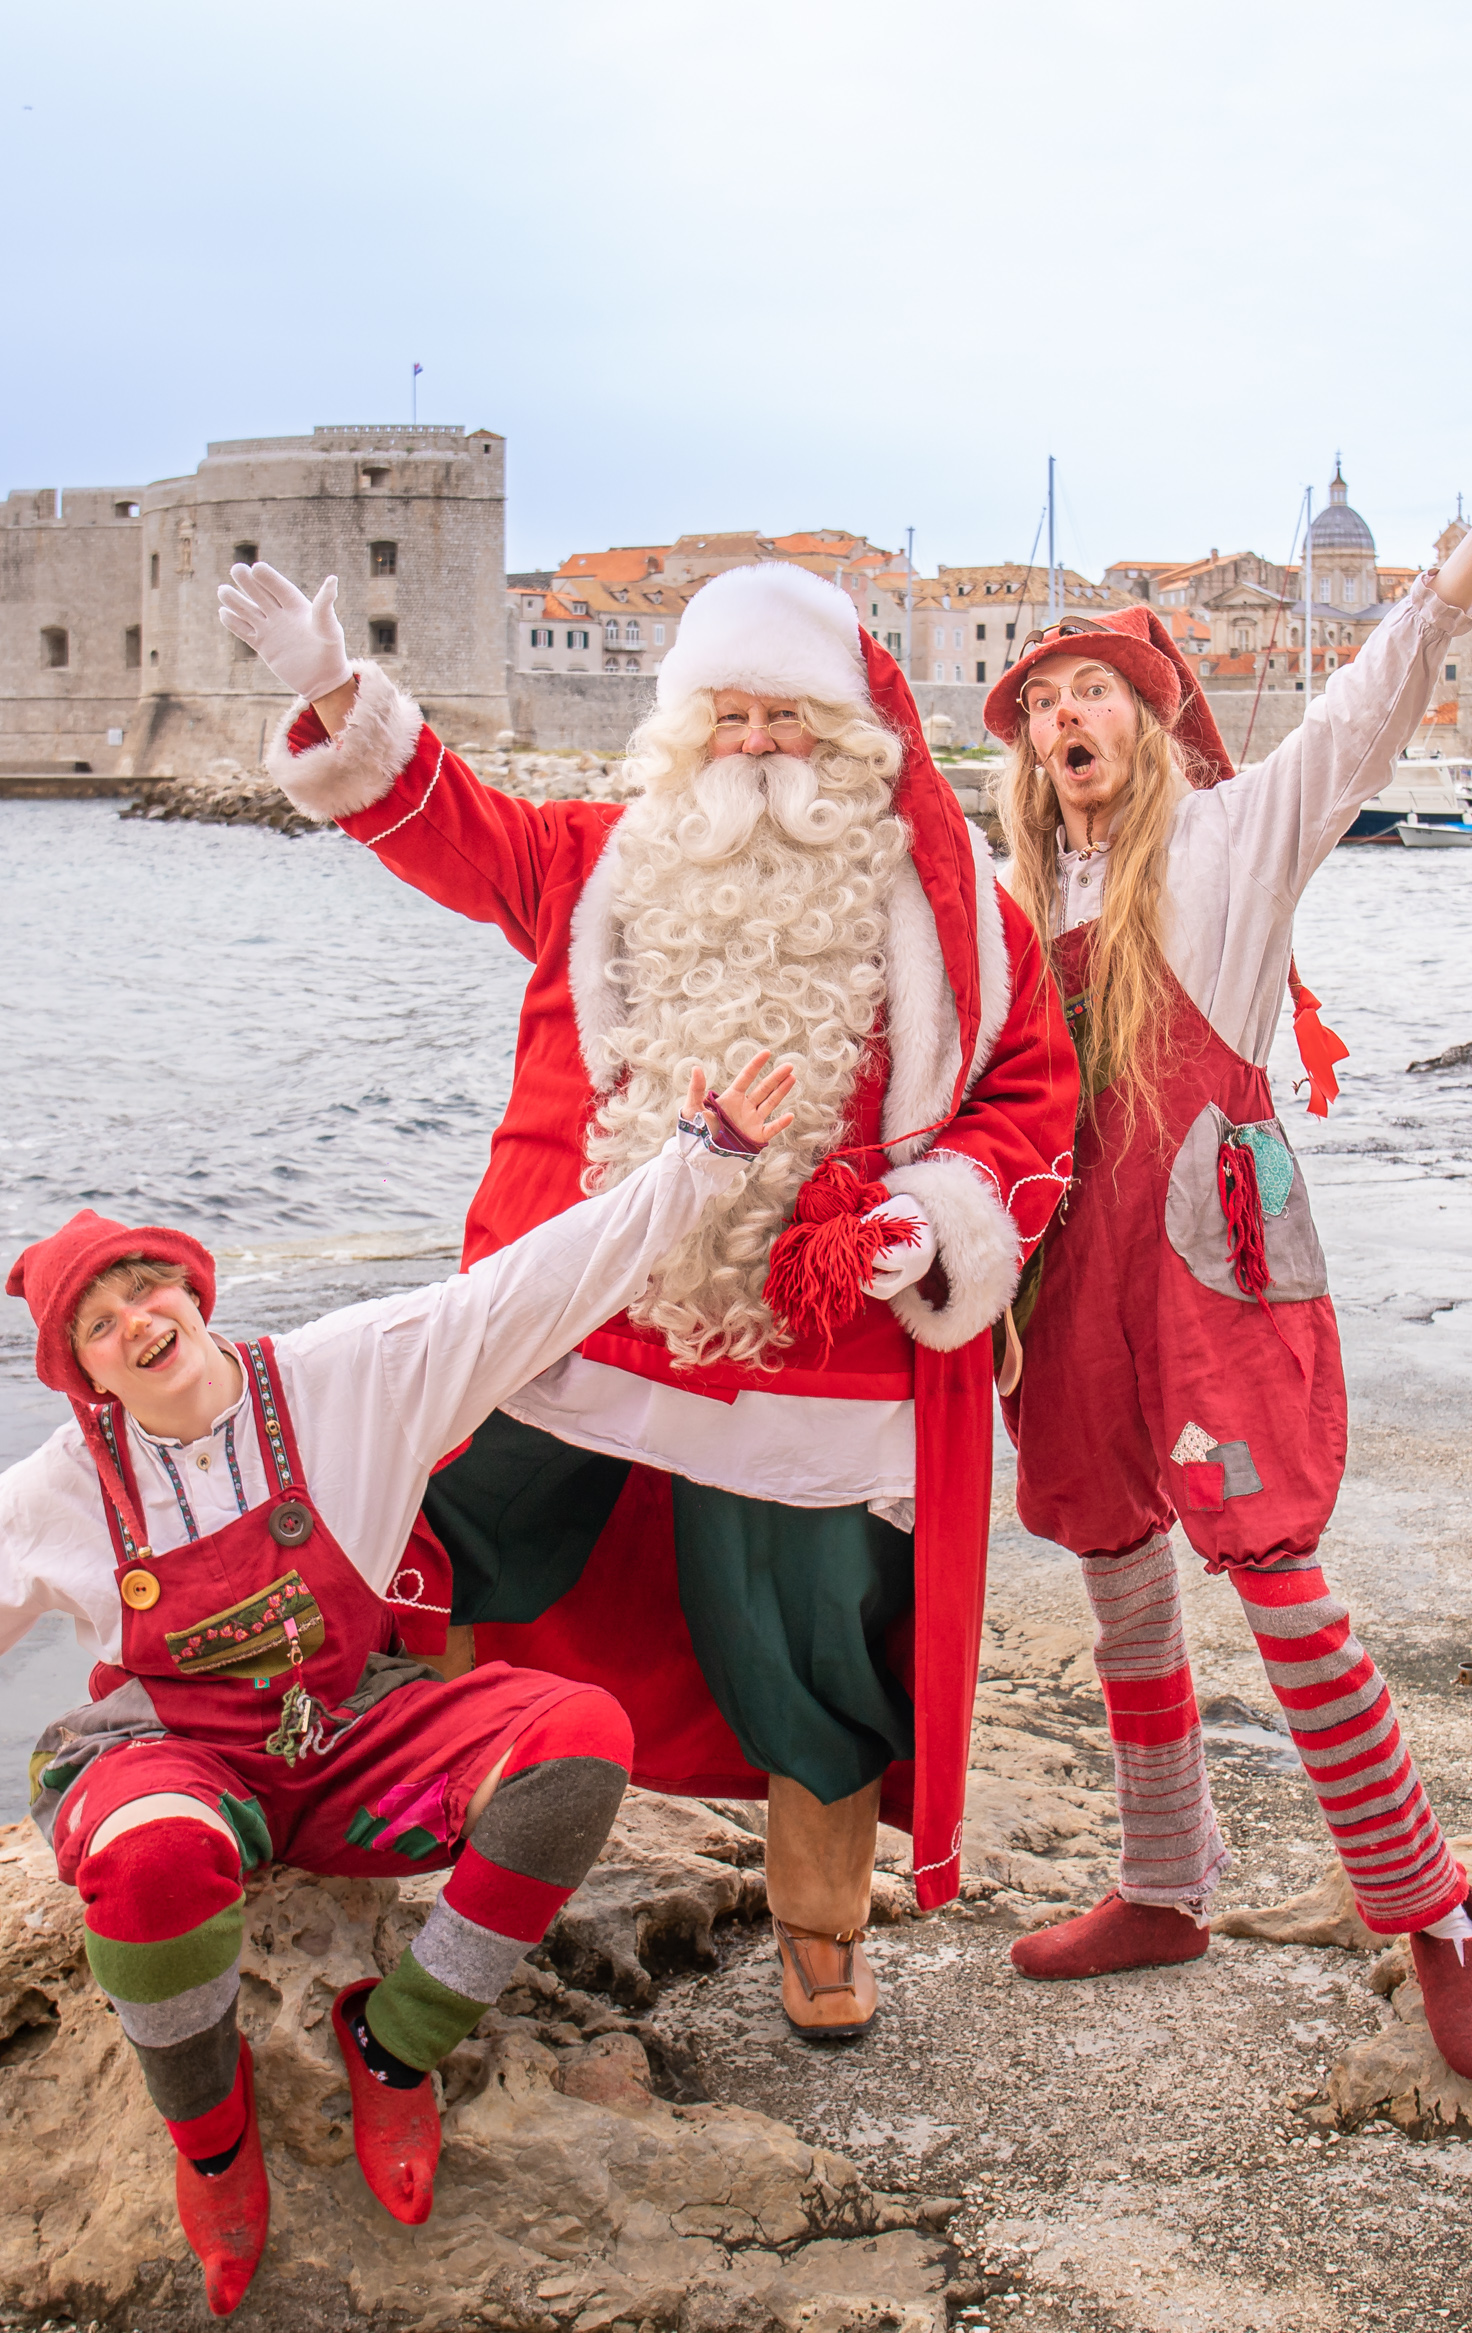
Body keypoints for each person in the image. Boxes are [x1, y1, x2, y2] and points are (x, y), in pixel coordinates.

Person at [0, 1052, 800, 2317]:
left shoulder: (350, 1371)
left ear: (192, 1287)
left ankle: (391, 2039)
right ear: (87, 1374)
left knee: (576, 1738)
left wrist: (701, 1159)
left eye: (147, 1284)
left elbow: (529, 1288)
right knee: (149, 1862)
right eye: (99, 1321)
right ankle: (213, 2142)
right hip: (172, 1754)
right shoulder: (52, 1493)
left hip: (349, 1738)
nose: (136, 1316)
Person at [215, 557, 1078, 2041]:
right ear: (682, 728)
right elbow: (446, 826)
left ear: (850, 737)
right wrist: (332, 694)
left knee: (809, 1641)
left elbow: (1029, 1107)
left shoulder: (953, 918)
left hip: (811, 1347)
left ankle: (819, 1926)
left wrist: (925, 1222)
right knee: (426, 1539)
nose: (751, 744)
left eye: (782, 718)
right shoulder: (598, 861)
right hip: (577, 1313)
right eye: (725, 713)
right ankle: (363, 1809)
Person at [981, 408, 1472, 2084]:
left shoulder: (1233, 838)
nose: (1066, 716)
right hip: (1072, 1270)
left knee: (1271, 1568)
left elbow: (1377, 698)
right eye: (1043, 701)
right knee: (1121, 1572)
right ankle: (1162, 1884)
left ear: (1153, 721)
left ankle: (1432, 1906)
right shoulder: (1012, 906)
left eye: (1093, 694)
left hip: (1209, 1245)